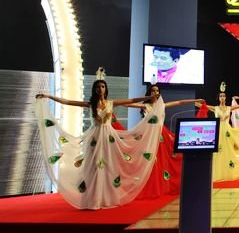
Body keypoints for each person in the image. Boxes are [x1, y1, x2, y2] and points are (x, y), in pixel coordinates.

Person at [34, 69, 162, 209]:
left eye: (102, 86)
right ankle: (92, 199)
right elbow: (68, 101)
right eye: (98, 87)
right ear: (94, 90)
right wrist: (49, 96)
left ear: (105, 89)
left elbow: (131, 100)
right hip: (94, 138)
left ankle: (106, 199)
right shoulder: (90, 105)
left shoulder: (111, 103)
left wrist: (149, 97)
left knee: (109, 167)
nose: (100, 89)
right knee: (93, 167)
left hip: (109, 138)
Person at [118, 84, 203, 198]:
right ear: (149, 93)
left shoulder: (162, 105)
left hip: (161, 136)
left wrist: (195, 100)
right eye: (153, 91)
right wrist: (113, 103)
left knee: (162, 161)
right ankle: (149, 187)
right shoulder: (146, 106)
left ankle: (161, 187)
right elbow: (129, 104)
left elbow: (179, 102)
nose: (155, 92)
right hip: (148, 137)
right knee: (150, 161)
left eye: (157, 90)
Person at [196, 82, 239, 182]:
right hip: (218, 132)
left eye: (224, 96)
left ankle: (227, 172)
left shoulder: (229, 108)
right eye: (221, 96)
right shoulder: (215, 108)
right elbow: (199, 105)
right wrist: (195, 101)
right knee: (217, 152)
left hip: (227, 133)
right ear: (219, 98)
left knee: (228, 153)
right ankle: (217, 173)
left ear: (225, 98)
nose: (222, 97)